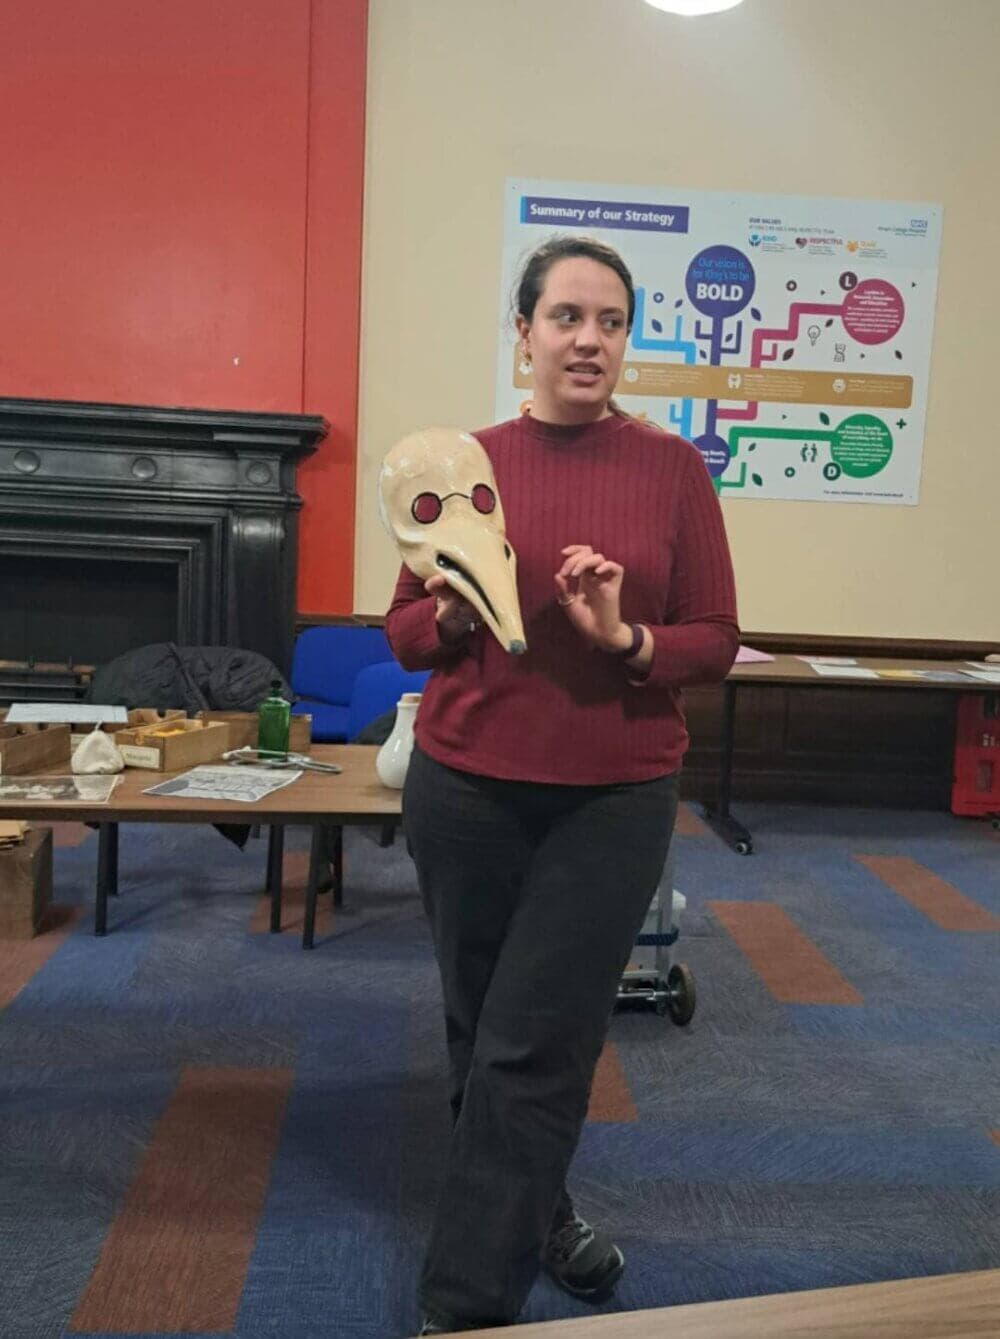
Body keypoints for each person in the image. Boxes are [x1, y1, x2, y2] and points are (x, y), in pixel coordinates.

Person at [385, 235, 739, 1334]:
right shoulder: (464, 460)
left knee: (539, 1039)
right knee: (479, 1022)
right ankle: (538, 1214)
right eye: (567, 317)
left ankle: (463, 1303)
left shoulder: (671, 468)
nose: (590, 339)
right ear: (525, 332)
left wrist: (623, 634)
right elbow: (400, 634)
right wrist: (447, 611)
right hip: (465, 785)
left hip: (611, 795)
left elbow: (716, 637)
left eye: (612, 321)